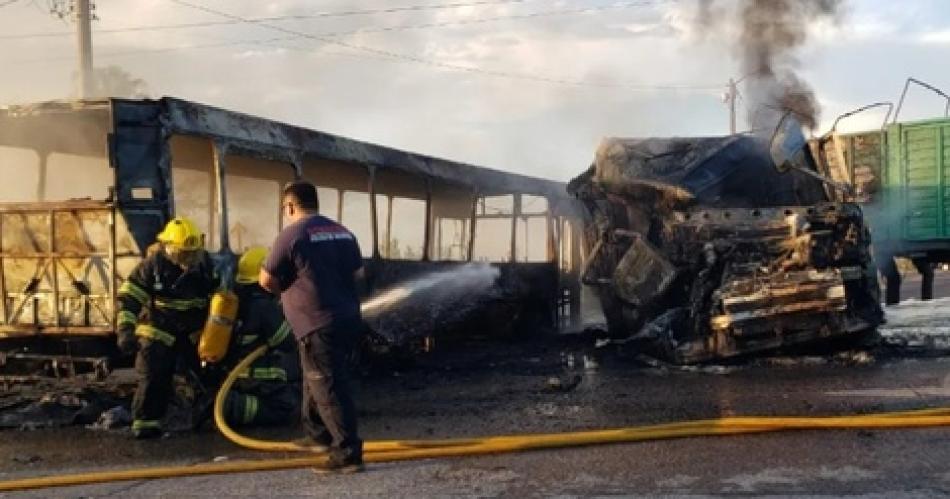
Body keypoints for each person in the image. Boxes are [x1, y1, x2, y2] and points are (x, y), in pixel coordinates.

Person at [259, 181, 365, 473]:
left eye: (284, 208)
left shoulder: (291, 235)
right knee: (314, 377)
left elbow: (265, 280)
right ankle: (317, 435)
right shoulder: (343, 232)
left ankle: (347, 453)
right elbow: (359, 273)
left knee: (328, 386)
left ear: (290, 206)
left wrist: (288, 289)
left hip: (317, 320)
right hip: (347, 319)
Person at [116, 217, 218, 439]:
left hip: (192, 334)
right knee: (154, 377)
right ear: (168, 248)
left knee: (206, 376)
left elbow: (219, 297)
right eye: (184, 254)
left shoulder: (206, 266)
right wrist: (125, 330)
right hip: (158, 331)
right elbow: (129, 298)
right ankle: (145, 426)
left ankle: (204, 418)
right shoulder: (152, 267)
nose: (189, 260)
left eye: (193, 254)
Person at [216, 247, 301, 428]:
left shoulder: (238, 298)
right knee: (285, 406)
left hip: (234, 374)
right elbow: (287, 342)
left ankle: (229, 403)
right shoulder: (263, 306)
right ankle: (232, 407)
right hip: (255, 377)